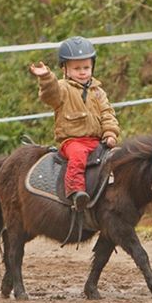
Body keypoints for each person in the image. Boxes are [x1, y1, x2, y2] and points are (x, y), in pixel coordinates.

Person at [29, 36, 120, 211]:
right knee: (78, 156)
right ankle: (75, 191)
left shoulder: (98, 92)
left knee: (117, 158)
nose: (82, 72)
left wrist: (110, 133)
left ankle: (112, 197)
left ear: (92, 66)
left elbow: (108, 114)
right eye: (76, 68)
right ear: (65, 69)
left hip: (96, 141)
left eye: (86, 67)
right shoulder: (62, 88)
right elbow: (50, 94)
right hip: (73, 141)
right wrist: (46, 78)